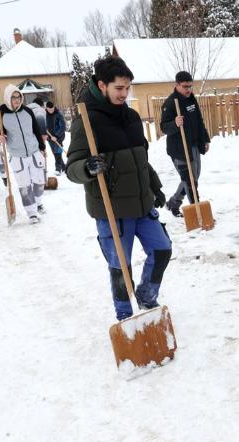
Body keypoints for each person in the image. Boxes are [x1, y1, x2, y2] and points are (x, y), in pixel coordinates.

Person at [66, 55, 171, 322]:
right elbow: (72, 168)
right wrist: (88, 168)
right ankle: (125, 317)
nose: (124, 94)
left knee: (162, 250)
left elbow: (140, 162)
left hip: (142, 205)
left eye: (127, 88)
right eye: (119, 88)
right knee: (120, 267)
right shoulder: (86, 121)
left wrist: (155, 188)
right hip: (112, 210)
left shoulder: (132, 117)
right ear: (102, 85)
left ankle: (147, 296)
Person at [160, 71, 211, 217]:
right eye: (185, 86)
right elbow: (163, 127)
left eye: (190, 86)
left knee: (193, 178)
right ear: (177, 85)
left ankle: (173, 203)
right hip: (179, 149)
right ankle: (197, 213)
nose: (188, 89)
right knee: (190, 181)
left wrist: (205, 138)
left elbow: (199, 121)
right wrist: (175, 124)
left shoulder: (191, 99)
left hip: (193, 145)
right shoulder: (170, 103)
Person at [0, 85, 47, 224]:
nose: (17, 100)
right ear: (8, 98)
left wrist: (42, 147)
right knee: (25, 186)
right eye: (14, 97)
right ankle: (32, 213)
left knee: (39, 182)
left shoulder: (27, 111)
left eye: (19, 97)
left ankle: (38, 202)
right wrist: (0, 137)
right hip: (17, 155)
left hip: (34, 151)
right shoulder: (2, 114)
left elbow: (36, 129)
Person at [45, 101, 67, 175]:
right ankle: (64, 167)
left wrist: (56, 136)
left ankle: (58, 169)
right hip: (50, 137)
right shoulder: (45, 114)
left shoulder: (58, 114)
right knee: (55, 152)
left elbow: (63, 127)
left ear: (54, 107)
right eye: (49, 109)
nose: (51, 111)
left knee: (58, 151)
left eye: (52, 109)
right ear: (46, 108)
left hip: (59, 136)